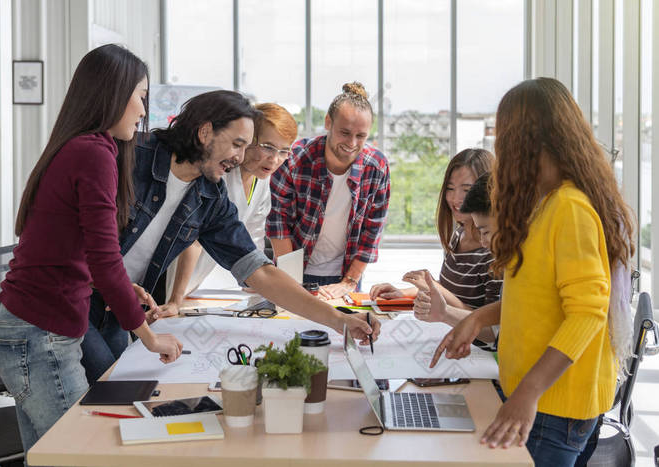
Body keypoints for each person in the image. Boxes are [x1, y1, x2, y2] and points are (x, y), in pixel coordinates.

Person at [81, 91, 379, 384]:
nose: (239, 158)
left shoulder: (210, 196)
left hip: (119, 303)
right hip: (76, 297)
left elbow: (259, 270)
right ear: (205, 132)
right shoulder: (133, 156)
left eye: (245, 146)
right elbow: (76, 239)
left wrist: (340, 321)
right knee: (100, 391)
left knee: (115, 386)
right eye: (237, 144)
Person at [0, 44, 184, 453]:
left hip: (29, 328)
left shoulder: (81, 146)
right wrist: (149, 338)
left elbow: (70, 252)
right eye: (140, 97)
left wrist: (124, 290)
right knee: (81, 454)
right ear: (113, 94)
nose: (144, 111)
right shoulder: (92, 153)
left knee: (46, 457)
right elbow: (105, 258)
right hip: (40, 334)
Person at [430, 77, 635, 466]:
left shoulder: (568, 208)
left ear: (526, 139)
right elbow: (538, 300)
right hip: (542, 398)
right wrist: (478, 318)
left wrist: (527, 393)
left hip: (554, 405)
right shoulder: (545, 204)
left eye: (503, 136)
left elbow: (587, 313)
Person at [159, 103, 298, 312]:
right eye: (268, 147)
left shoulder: (262, 183)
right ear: (248, 138)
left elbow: (253, 240)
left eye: (284, 151)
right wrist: (175, 299)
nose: (275, 159)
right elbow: (192, 242)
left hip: (207, 288)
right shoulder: (219, 174)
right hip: (174, 281)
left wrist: (259, 283)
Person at [266, 82, 390, 300]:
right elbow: (279, 226)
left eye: (361, 136)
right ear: (328, 122)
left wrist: (348, 283)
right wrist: (297, 285)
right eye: (345, 132)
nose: (352, 143)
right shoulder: (294, 159)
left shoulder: (377, 167)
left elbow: (372, 233)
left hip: (346, 276)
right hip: (293, 271)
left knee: (344, 331)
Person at [370, 149, 501, 331]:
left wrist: (435, 290)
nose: (455, 198)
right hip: (447, 334)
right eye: (450, 189)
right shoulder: (457, 234)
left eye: (466, 190)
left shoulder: (494, 250)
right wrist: (405, 293)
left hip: (476, 351)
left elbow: (491, 329)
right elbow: (449, 293)